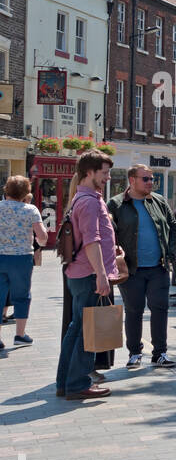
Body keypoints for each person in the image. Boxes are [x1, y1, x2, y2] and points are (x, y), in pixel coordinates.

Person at [56, 151, 121, 400]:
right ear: (89, 172)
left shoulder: (80, 198)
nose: (107, 177)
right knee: (85, 330)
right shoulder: (91, 201)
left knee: (75, 329)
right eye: (103, 173)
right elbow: (91, 241)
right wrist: (101, 275)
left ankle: (65, 382)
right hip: (88, 274)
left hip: (80, 272)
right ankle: (77, 384)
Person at [108, 164, 176, 369]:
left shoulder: (158, 201)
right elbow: (108, 233)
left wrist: (170, 254)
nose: (151, 183)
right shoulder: (116, 204)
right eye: (146, 179)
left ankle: (160, 353)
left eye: (152, 179)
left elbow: (173, 226)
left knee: (160, 309)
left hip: (158, 267)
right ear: (132, 180)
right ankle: (134, 353)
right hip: (131, 269)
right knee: (134, 310)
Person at [0, 176, 48, 351]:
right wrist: (41, 244)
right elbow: (42, 237)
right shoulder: (31, 210)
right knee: (21, 295)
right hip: (21, 258)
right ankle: (20, 335)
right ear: (26, 192)